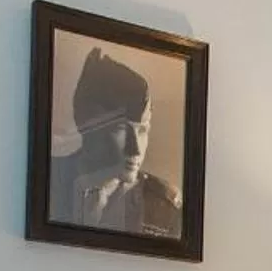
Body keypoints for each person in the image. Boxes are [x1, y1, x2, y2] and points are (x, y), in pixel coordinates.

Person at [50, 46, 182, 238]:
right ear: (84, 123)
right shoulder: (48, 180)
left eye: (142, 130)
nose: (135, 150)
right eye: (121, 130)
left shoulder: (164, 206)